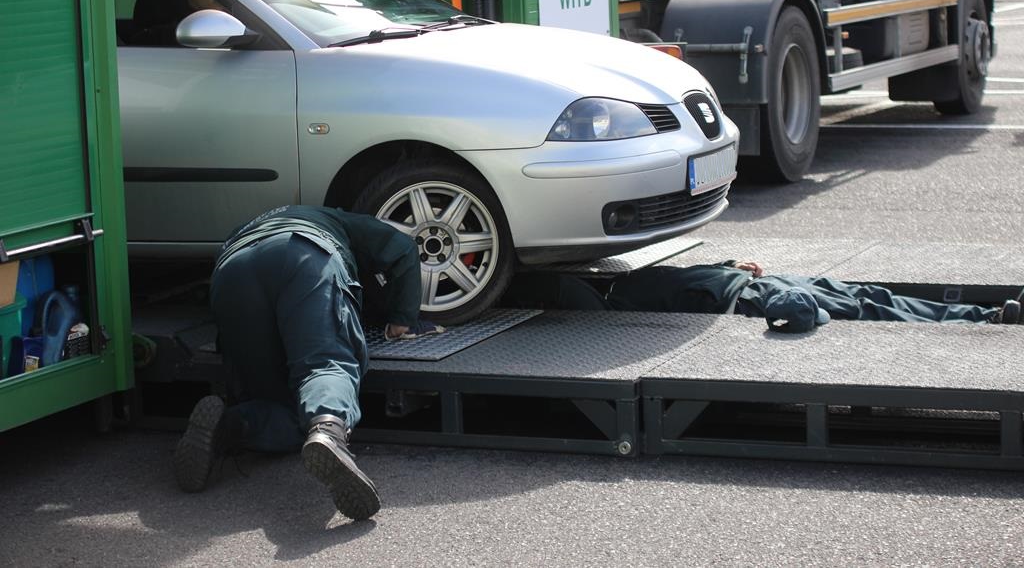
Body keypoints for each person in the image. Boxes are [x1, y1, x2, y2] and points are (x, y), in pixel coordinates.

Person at [172, 205, 441, 521]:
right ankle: (328, 428)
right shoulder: (335, 218)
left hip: (232, 271)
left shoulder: (248, 223)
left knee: (274, 403)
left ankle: (228, 427)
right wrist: (402, 319)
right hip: (304, 253)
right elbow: (403, 248)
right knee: (326, 362)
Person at [505, 260, 1023, 329]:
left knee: (873, 294)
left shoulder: (627, 278)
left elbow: (694, 276)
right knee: (870, 307)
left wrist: (730, 265)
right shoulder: (613, 306)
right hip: (760, 299)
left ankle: (989, 313)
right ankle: (988, 322)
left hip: (761, 283)